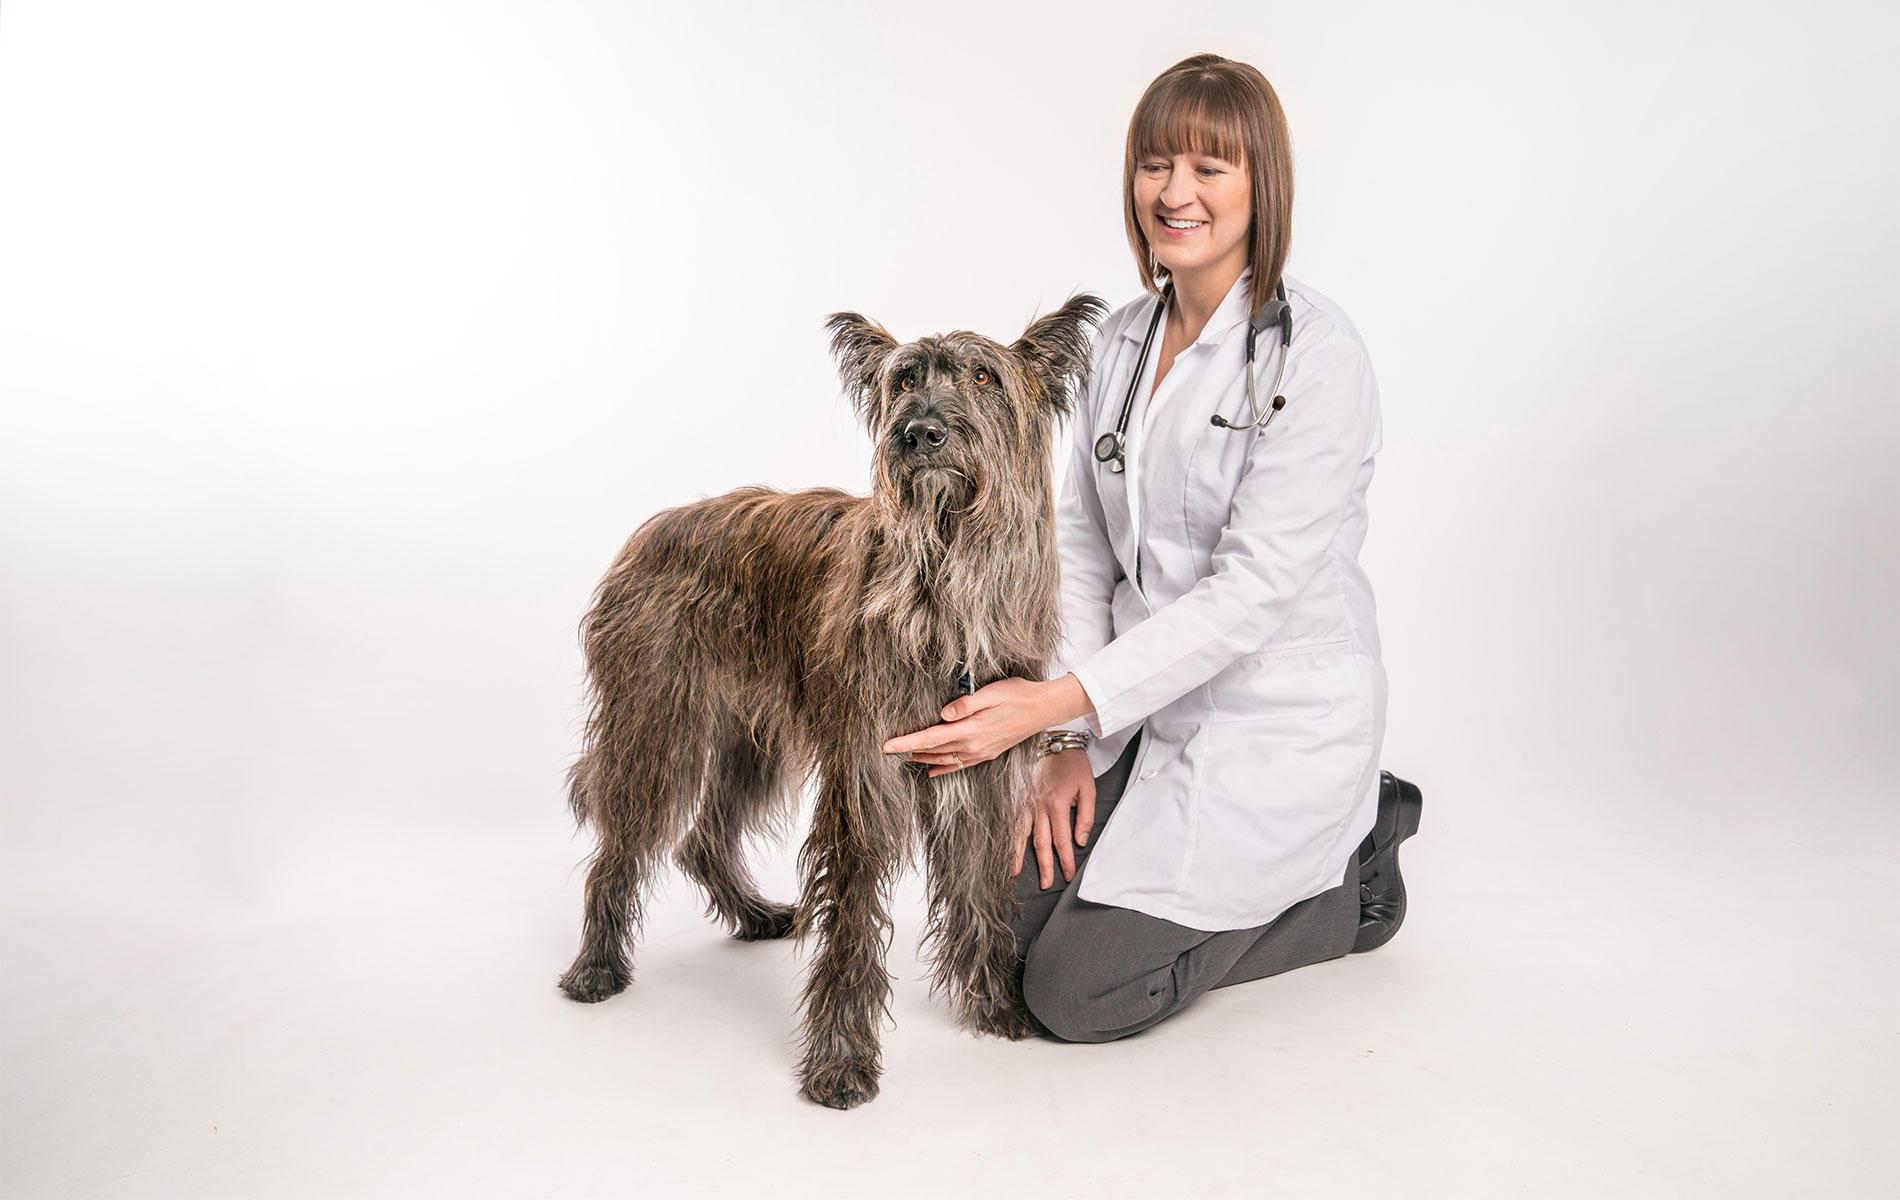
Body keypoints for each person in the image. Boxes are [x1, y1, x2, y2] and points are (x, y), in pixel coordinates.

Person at [879, 53, 1423, 1043]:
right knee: (993, 938)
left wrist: (1052, 705)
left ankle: (1353, 884)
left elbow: (1250, 594)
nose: (1175, 193)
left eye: (1210, 168)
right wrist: (1067, 743)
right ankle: (1196, 857)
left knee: (1073, 994)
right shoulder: (1120, 344)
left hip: (1274, 721)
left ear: (1264, 185)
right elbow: (1080, 547)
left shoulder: (1316, 357)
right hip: (1138, 703)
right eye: (1155, 164)